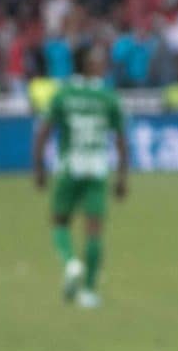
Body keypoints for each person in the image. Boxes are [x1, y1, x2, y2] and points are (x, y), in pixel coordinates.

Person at [32, 45, 127, 309]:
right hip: (97, 168)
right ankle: (89, 292)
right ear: (86, 64)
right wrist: (122, 177)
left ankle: (71, 263)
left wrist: (39, 168)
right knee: (94, 230)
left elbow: (43, 133)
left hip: (70, 166)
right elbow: (121, 140)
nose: (102, 65)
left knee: (59, 221)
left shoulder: (63, 95)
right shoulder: (107, 97)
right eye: (97, 60)